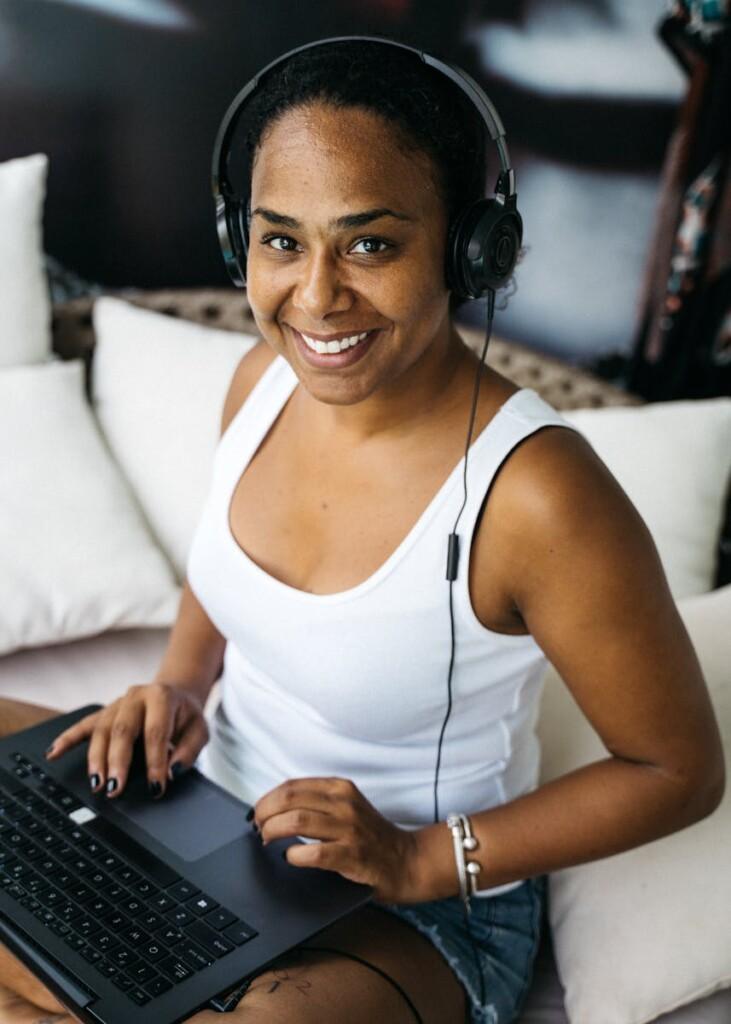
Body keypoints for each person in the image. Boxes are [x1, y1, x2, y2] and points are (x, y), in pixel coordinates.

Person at [0, 37, 725, 1024]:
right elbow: (223, 569)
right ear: (236, 238)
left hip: (412, 905)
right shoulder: (260, 384)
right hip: (204, 810)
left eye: (370, 243)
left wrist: (421, 855)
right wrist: (176, 684)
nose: (316, 297)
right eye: (280, 240)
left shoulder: (538, 493)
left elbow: (675, 769)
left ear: (471, 248)